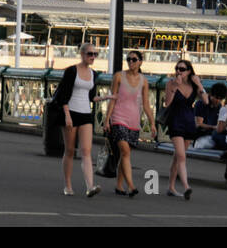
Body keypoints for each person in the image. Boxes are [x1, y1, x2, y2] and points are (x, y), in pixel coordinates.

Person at [52, 42, 101, 197]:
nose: (93, 57)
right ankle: (68, 185)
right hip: (71, 112)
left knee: (86, 151)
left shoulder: (94, 74)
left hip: (86, 113)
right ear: (82, 54)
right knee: (70, 150)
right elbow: (63, 95)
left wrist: (106, 97)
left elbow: (91, 95)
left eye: (95, 54)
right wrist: (67, 115)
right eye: (90, 54)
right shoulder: (72, 71)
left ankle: (90, 186)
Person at [103, 49, 153, 196]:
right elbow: (113, 98)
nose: (131, 62)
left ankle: (119, 186)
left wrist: (152, 123)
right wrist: (107, 120)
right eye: (129, 59)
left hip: (134, 121)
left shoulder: (144, 81)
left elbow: (146, 104)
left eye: (134, 59)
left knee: (124, 155)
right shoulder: (119, 76)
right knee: (125, 152)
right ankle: (131, 186)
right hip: (118, 118)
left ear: (140, 62)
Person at [161, 59, 208, 199]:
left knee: (177, 157)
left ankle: (171, 187)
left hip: (189, 122)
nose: (178, 72)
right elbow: (167, 103)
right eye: (177, 68)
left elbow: (205, 101)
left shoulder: (194, 85)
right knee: (181, 155)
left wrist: (199, 84)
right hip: (175, 121)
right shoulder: (171, 83)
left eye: (182, 69)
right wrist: (175, 87)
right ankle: (186, 186)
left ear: (189, 71)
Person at [191, 82, 227, 150]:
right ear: (211, 94)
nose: (218, 101)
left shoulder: (219, 106)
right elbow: (198, 124)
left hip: (214, 136)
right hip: (202, 136)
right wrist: (213, 127)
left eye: (221, 99)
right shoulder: (201, 104)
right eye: (216, 98)